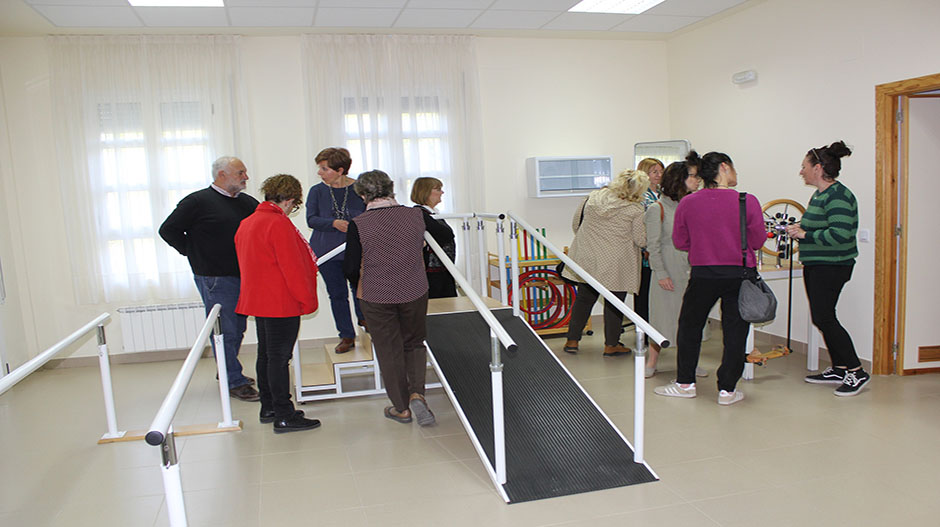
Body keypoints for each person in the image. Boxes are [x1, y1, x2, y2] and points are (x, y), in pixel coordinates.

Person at [343, 170, 454, 426]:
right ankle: (417, 393)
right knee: (414, 343)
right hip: (414, 290)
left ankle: (401, 408)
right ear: (392, 189)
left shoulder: (359, 224)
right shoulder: (416, 215)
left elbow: (349, 268)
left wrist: (359, 284)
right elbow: (446, 236)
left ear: (362, 195)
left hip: (376, 294)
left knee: (388, 349)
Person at [654, 151, 764, 406]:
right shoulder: (747, 201)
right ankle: (727, 390)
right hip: (739, 274)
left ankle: (685, 383)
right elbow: (758, 241)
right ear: (724, 168)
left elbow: (680, 242)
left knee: (690, 326)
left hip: (703, 274)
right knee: (736, 331)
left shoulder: (688, 203)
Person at [159, 156, 261, 402]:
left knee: (237, 328)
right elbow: (168, 230)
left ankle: (228, 372)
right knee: (225, 329)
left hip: (244, 275)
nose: (246, 177)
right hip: (215, 277)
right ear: (222, 174)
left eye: (245, 172)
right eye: (240, 172)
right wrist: (193, 252)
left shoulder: (248, 203)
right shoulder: (197, 202)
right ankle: (233, 380)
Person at [235, 174, 321, 433]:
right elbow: (292, 267)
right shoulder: (278, 224)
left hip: (259, 299)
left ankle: (269, 406)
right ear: (290, 200)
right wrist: (306, 300)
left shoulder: (248, 222)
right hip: (280, 301)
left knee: (266, 355)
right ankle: (284, 413)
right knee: (279, 358)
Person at [786, 141, 868, 396]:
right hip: (817, 264)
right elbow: (820, 225)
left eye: (804, 167)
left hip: (832, 266)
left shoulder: (840, 196)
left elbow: (841, 234)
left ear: (818, 168)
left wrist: (805, 234)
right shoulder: (821, 194)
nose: (801, 171)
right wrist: (799, 229)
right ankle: (840, 368)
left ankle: (856, 371)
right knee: (822, 316)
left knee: (824, 317)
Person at [561, 169, 649, 357]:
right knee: (615, 303)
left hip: (588, 258)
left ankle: (572, 340)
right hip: (616, 262)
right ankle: (611, 344)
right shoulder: (635, 209)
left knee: (584, 299)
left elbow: (576, 224)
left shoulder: (593, 198)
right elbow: (641, 240)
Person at [643, 161, 706, 378]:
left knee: (691, 318)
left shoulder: (694, 205)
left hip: (692, 268)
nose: (697, 180)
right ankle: (652, 361)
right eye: (692, 176)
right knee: (663, 317)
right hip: (667, 266)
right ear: (679, 179)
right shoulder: (656, 208)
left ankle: (689, 362)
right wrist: (661, 274)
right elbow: (653, 245)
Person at [306, 147, 367, 354]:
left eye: (324, 169)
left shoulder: (360, 189)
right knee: (337, 294)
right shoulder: (317, 191)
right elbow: (311, 219)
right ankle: (346, 335)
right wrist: (333, 223)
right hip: (326, 251)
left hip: (356, 250)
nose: (320, 173)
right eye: (320, 168)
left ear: (340, 170)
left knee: (361, 289)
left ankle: (366, 324)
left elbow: (369, 216)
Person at [411, 177, 458, 298]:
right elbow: (445, 235)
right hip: (432, 273)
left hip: (443, 270)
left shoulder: (433, 214)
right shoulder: (419, 213)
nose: (442, 192)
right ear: (425, 192)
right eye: (438, 189)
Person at [635, 157, 665, 340]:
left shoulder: (664, 193)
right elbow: (640, 225)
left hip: (663, 249)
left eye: (661, 171)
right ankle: (644, 335)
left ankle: (659, 331)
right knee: (644, 294)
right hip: (644, 252)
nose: (659, 175)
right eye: (655, 172)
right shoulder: (639, 197)